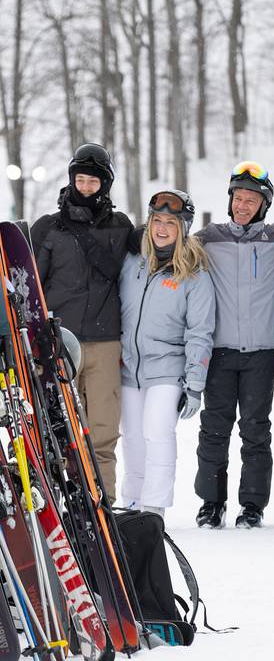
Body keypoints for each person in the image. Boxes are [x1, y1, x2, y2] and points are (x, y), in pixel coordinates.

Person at [31, 143, 132, 502]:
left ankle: (103, 504)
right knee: (60, 430)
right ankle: (62, 504)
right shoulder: (48, 228)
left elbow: (136, 277)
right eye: (80, 179)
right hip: (61, 342)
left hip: (106, 345)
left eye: (93, 181)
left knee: (103, 431)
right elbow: (31, 286)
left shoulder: (121, 227)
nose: (86, 186)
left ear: (105, 184)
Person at [194, 161, 274, 529]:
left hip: (262, 351)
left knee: (255, 429)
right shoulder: (208, 238)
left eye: (251, 200)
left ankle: (252, 505)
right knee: (214, 428)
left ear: (263, 205)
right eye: (238, 198)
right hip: (219, 350)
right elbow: (165, 244)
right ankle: (212, 502)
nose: (243, 205)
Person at [118, 190, 215, 517]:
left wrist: (194, 384)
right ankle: (132, 504)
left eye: (170, 223)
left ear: (183, 228)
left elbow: (200, 332)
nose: (161, 228)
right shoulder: (132, 261)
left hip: (168, 369)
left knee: (157, 432)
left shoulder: (194, 275)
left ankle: (153, 509)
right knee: (132, 439)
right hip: (130, 368)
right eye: (156, 221)